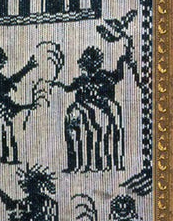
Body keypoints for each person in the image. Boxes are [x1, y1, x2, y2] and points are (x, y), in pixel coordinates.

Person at [55, 44, 130, 172]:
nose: (87, 66)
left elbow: (118, 75)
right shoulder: (82, 79)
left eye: (89, 63)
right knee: (72, 121)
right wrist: (59, 84)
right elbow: (69, 88)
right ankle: (76, 163)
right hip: (82, 109)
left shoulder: (104, 76)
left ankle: (95, 163)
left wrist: (123, 59)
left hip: (98, 110)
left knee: (88, 123)